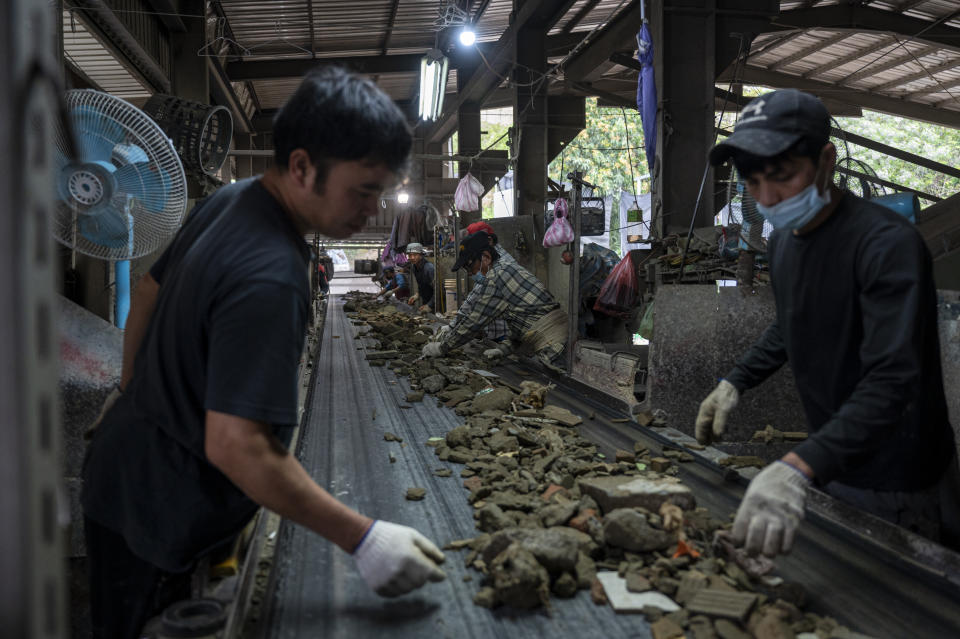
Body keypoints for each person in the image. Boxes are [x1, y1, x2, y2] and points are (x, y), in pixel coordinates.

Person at [81, 67, 446, 639]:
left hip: (124, 467)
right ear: (302, 167)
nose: (372, 211)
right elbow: (236, 446)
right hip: (159, 512)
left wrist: (132, 391)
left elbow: (148, 291)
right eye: (363, 190)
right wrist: (362, 537)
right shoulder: (272, 275)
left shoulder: (231, 199)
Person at [697, 88, 960, 557]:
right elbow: (790, 326)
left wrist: (797, 465)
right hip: (835, 464)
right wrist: (734, 383)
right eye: (753, 182)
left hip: (899, 476)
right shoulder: (783, 246)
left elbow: (893, 381)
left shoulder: (885, 245)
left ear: (826, 160)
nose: (768, 198)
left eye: (782, 176)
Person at [421, 231, 567, 369]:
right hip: (555, 339)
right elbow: (524, 319)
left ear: (486, 257)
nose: (470, 272)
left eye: (470, 266)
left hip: (555, 345)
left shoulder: (496, 278)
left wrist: (442, 347)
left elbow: (474, 322)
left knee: (559, 389)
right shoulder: (505, 268)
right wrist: (504, 349)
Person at [442, 221, 512, 343]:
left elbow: (476, 299)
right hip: (495, 330)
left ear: (488, 240)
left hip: (505, 333)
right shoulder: (487, 262)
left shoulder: (500, 265)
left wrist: (452, 331)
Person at [404, 242, 435, 313]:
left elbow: (439, 290)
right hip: (426, 302)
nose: (412, 258)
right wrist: (417, 295)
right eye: (410, 255)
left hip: (436, 304)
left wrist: (430, 305)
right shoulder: (414, 267)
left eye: (415, 255)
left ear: (421, 255)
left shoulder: (429, 268)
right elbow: (422, 285)